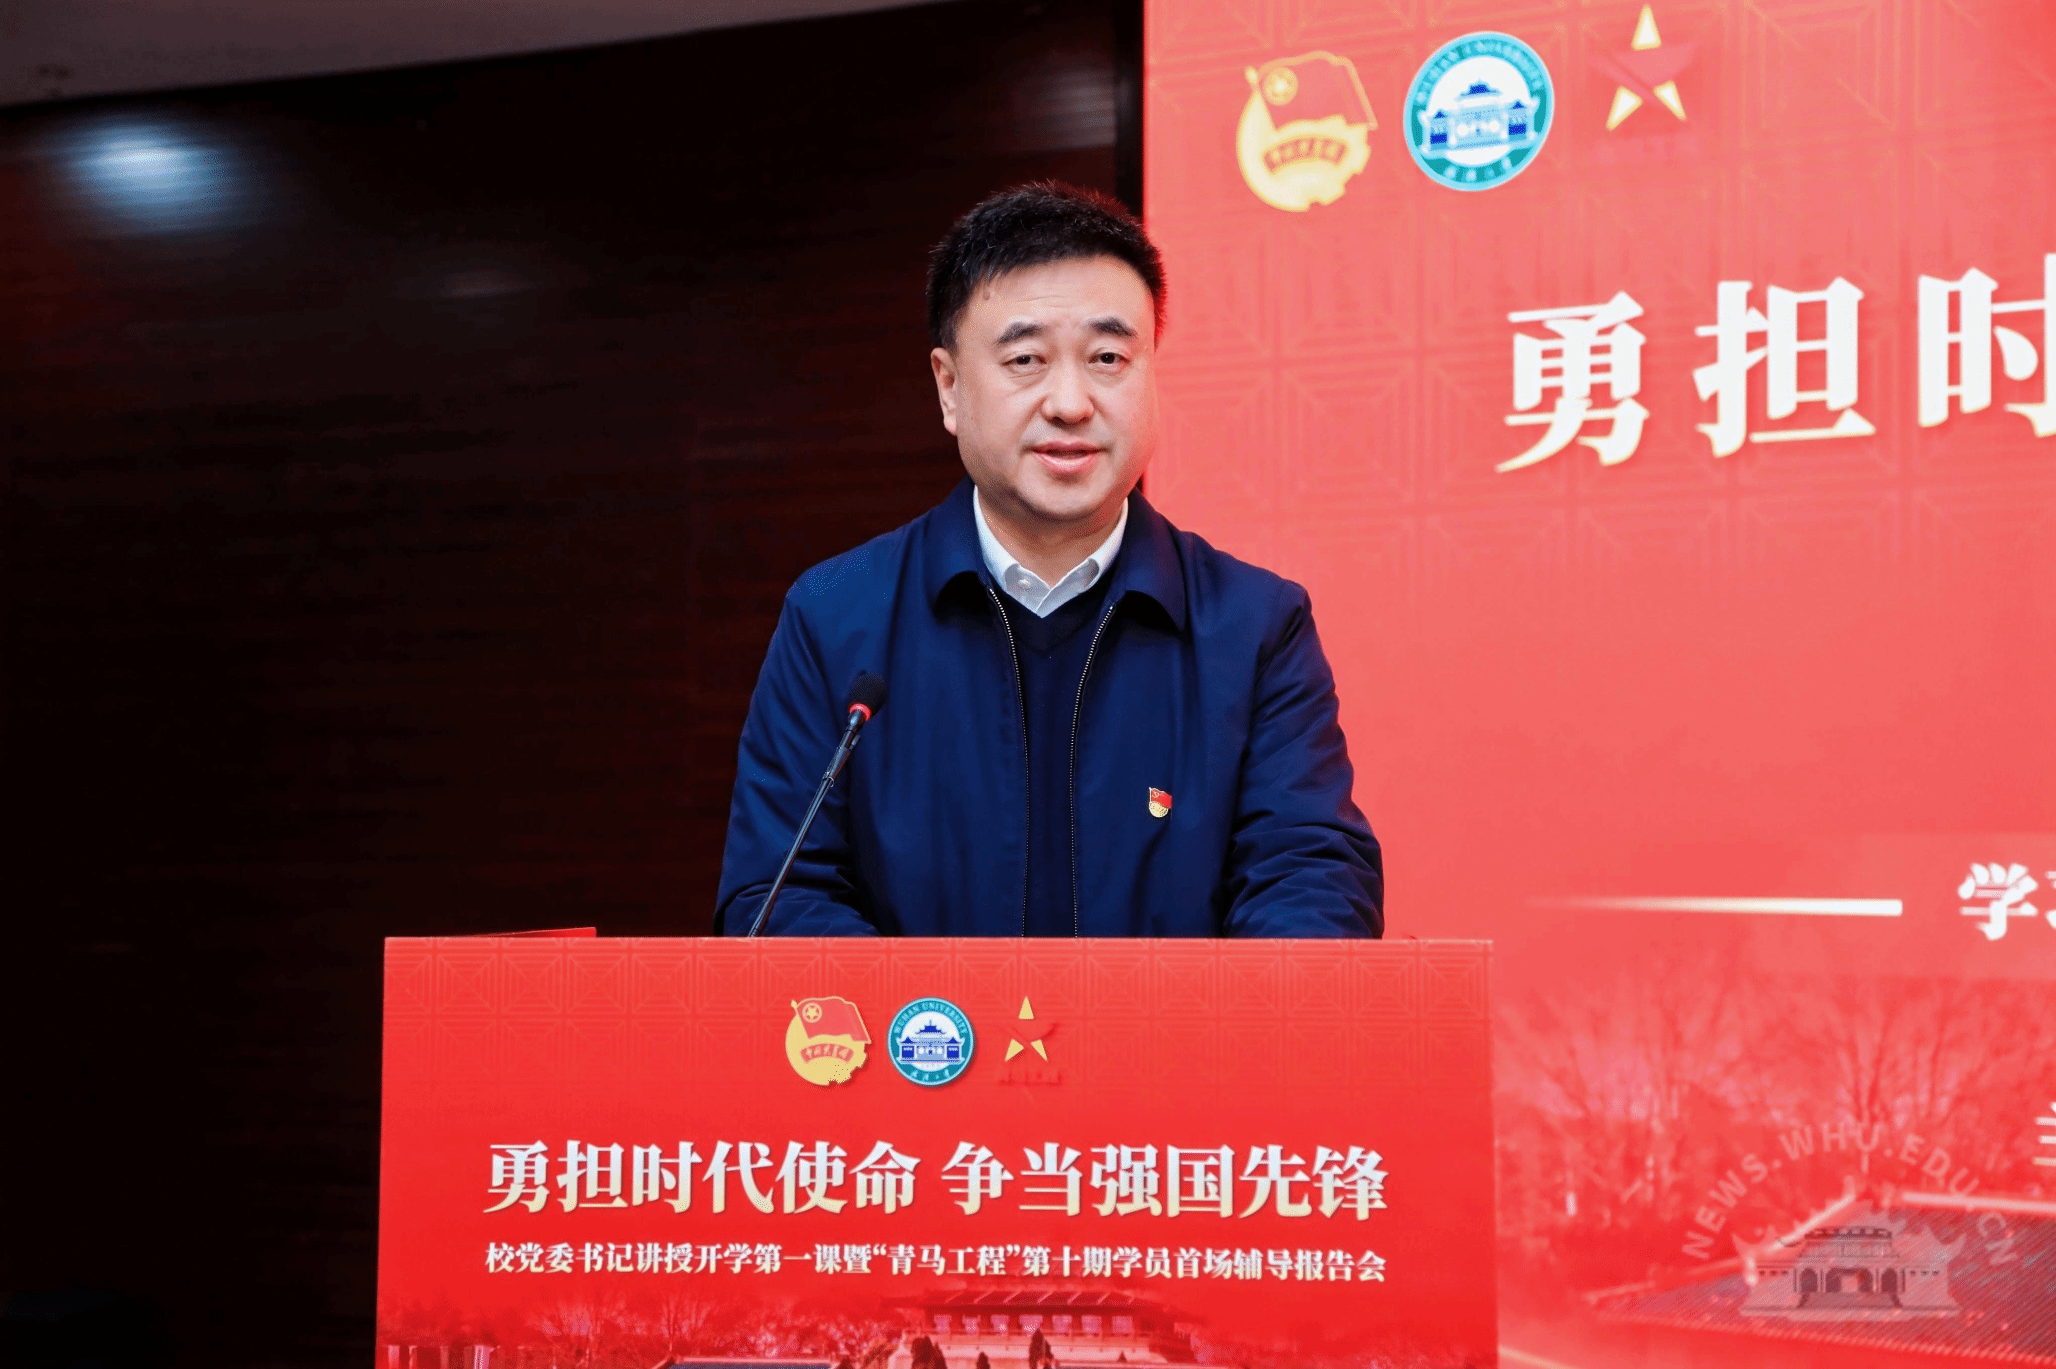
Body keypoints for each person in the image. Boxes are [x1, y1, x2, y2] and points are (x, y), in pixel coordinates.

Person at [716, 182, 1381, 937]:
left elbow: (1310, 879)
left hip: (1179, 1025)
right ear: (949, 387)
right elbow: (779, 893)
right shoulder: (835, 619)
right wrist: (934, 1014)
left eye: (1108, 357)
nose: (1070, 402)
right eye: (1027, 359)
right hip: (916, 1023)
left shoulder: (1255, 627)